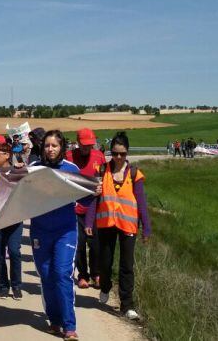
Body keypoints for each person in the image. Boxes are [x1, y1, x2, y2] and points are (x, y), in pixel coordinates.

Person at [85, 131, 151, 322]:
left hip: (128, 225)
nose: (118, 157)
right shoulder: (101, 170)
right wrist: (89, 222)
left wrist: (146, 228)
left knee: (127, 265)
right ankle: (105, 287)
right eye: (115, 153)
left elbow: (142, 203)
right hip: (106, 224)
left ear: (127, 153)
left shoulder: (134, 174)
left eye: (122, 154)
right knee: (105, 263)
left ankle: (127, 305)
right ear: (110, 153)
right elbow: (94, 199)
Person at [29, 130, 80, 340]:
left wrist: (93, 193)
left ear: (62, 148)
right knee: (47, 275)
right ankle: (55, 321)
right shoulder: (34, 169)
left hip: (65, 231)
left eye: (54, 145)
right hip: (40, 230)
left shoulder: (71, 169)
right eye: (47, 145)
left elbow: (84, 199)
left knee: (61, 274)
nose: (50, 149)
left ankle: (70, 326)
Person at [66, 129, 107, 290]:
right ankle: (83, 275)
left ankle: (96, 273)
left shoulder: (99, 156)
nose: (87, 149)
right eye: (84, 145)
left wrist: (101, 188)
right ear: (77, 142)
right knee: (80, 243)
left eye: (90, 145)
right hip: (76, 208)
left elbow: (105, 178)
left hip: (95, 207)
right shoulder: (69, 157)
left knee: (96, 243)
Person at [0, 143, 25, 300]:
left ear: (7, 155)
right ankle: (3, 285)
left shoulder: (18, 171)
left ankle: (16, 285)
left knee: (15, 252)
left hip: (14, 219)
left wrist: (23, 168)